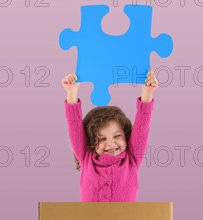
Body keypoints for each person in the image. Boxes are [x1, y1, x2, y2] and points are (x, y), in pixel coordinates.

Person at [61, 71, 158, 202]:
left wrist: (147, 93)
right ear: (90, 142)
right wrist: (71, 92)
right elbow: (74, 127)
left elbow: (142, 127)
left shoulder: (132, 159)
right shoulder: (86, 159)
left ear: (126, 135)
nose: (111, 144)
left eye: (117, 135)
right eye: (101, 139)